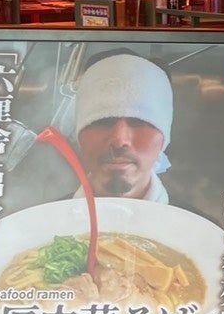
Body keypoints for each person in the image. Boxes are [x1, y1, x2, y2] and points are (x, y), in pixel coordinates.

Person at [68, 53, 176, 204]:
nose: (119, 140)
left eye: (139, 121)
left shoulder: (191, 220)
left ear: (164, 138)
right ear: (80, 135)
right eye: (103, 121)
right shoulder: (43, 217)